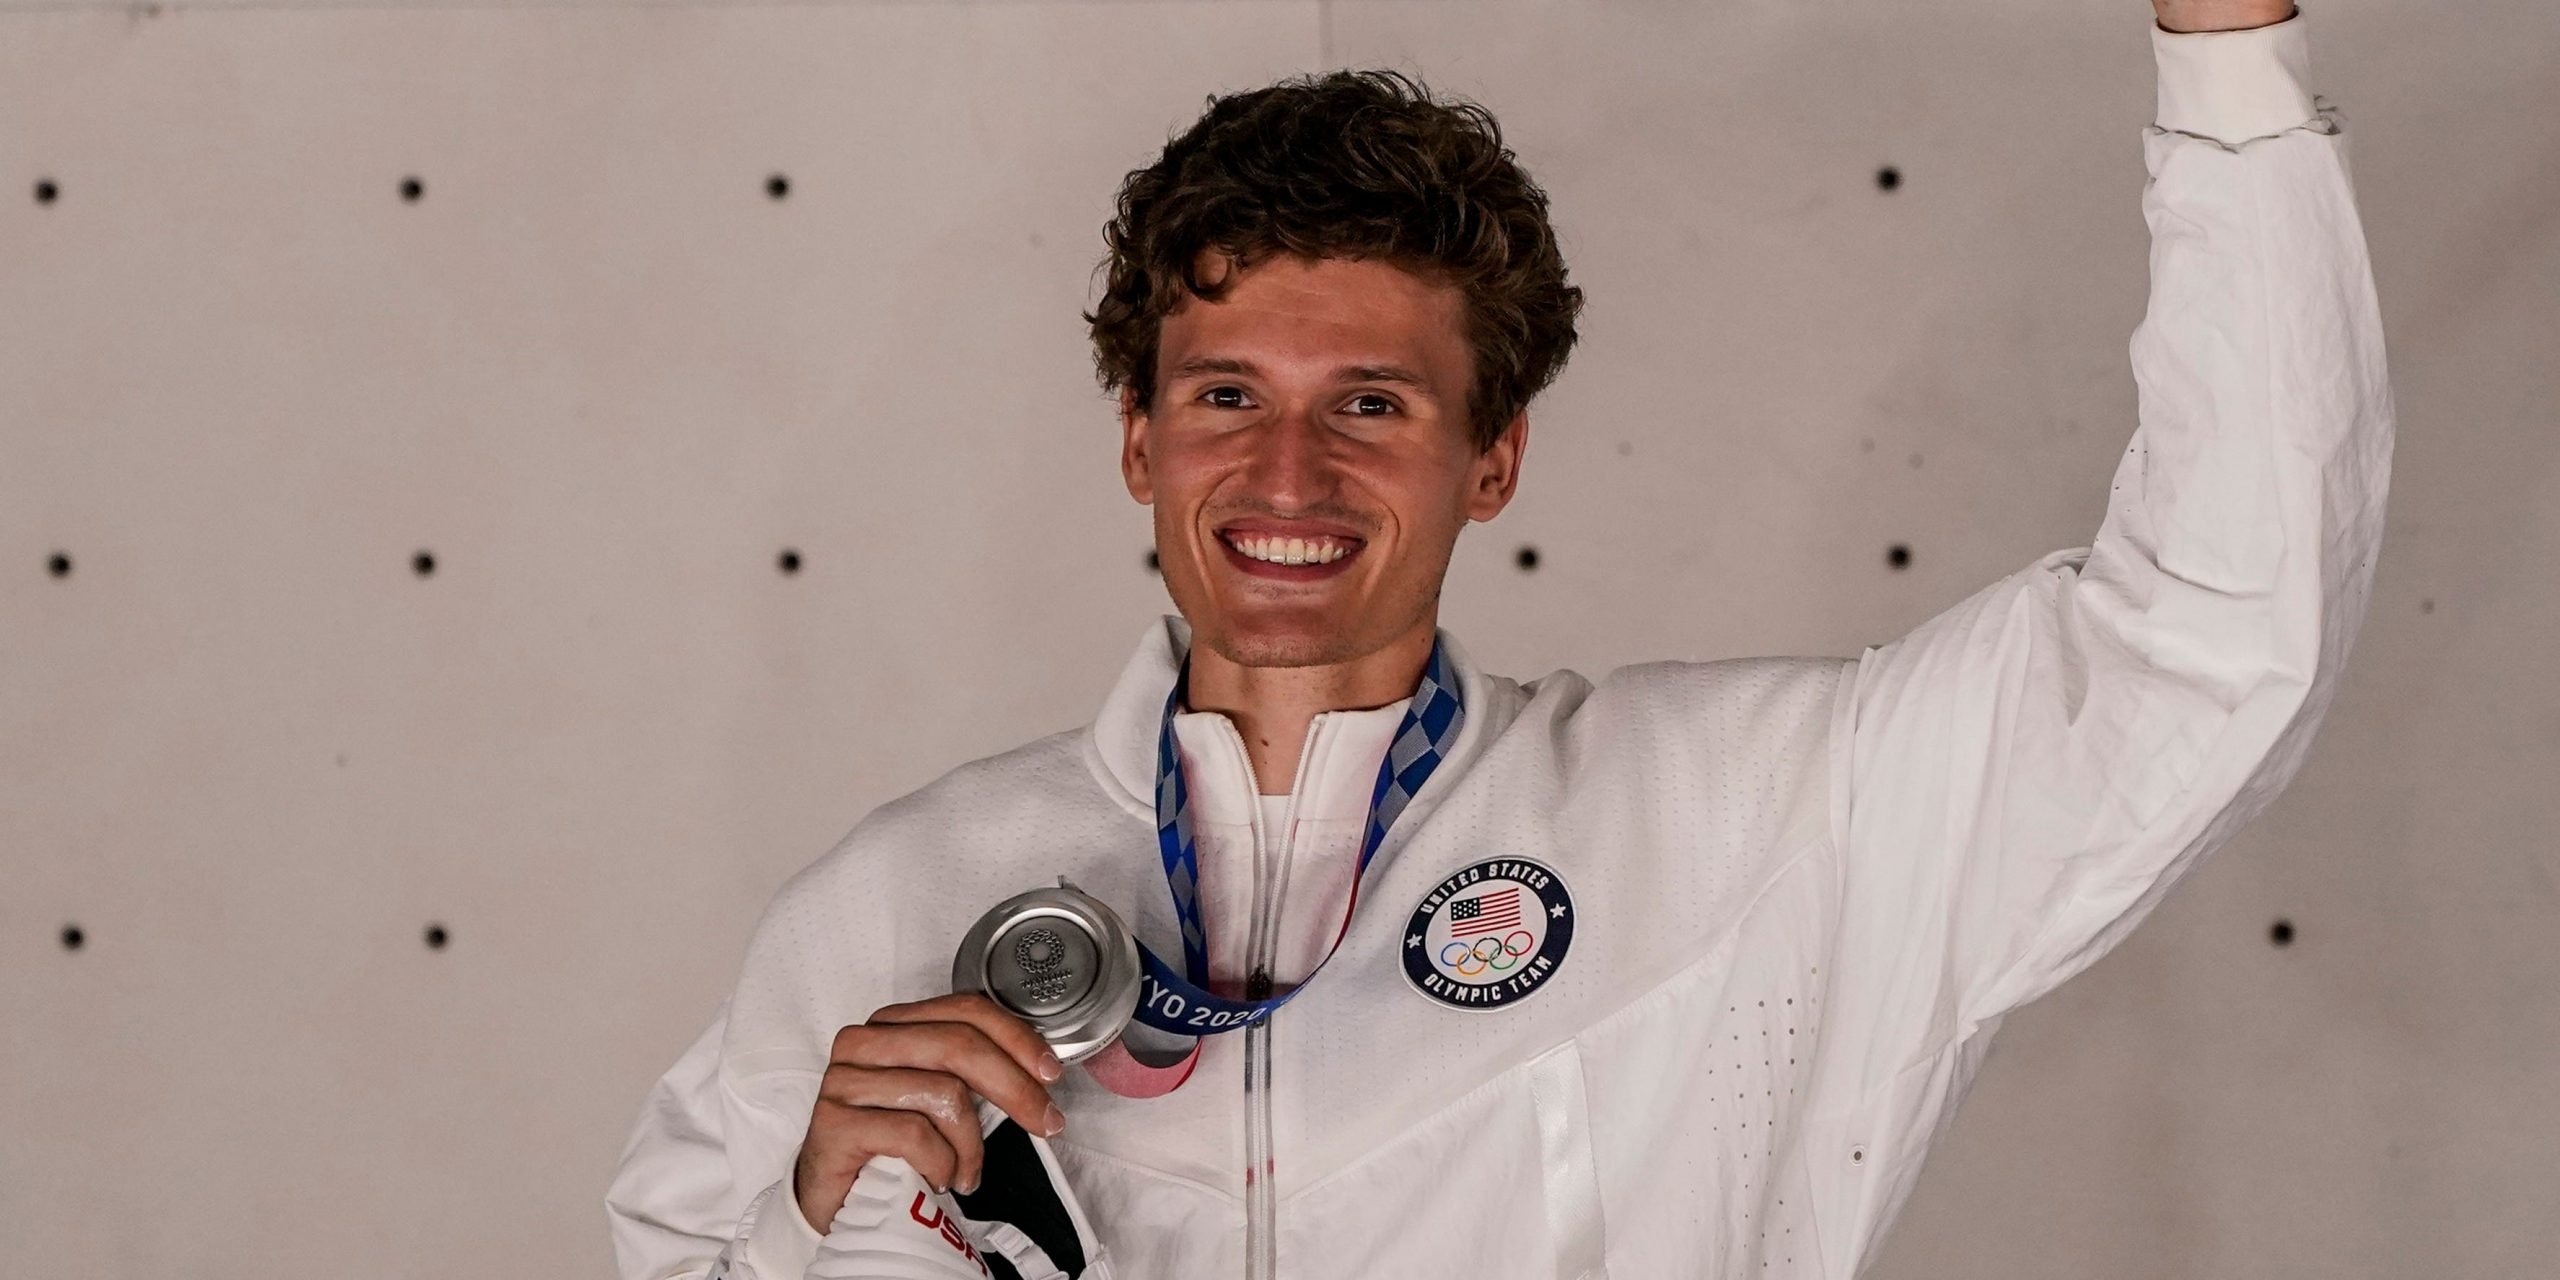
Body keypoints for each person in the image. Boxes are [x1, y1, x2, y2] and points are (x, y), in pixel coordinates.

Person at [608, 0, 2391, 1274]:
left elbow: (2209, 644)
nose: (1285, 468)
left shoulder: (1764, 821)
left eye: (1372, 403)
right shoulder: (891, 903)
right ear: (1141, 443)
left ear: (1493, 459)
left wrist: (2226, 49)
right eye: (1226, 393)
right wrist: (794, 1225)